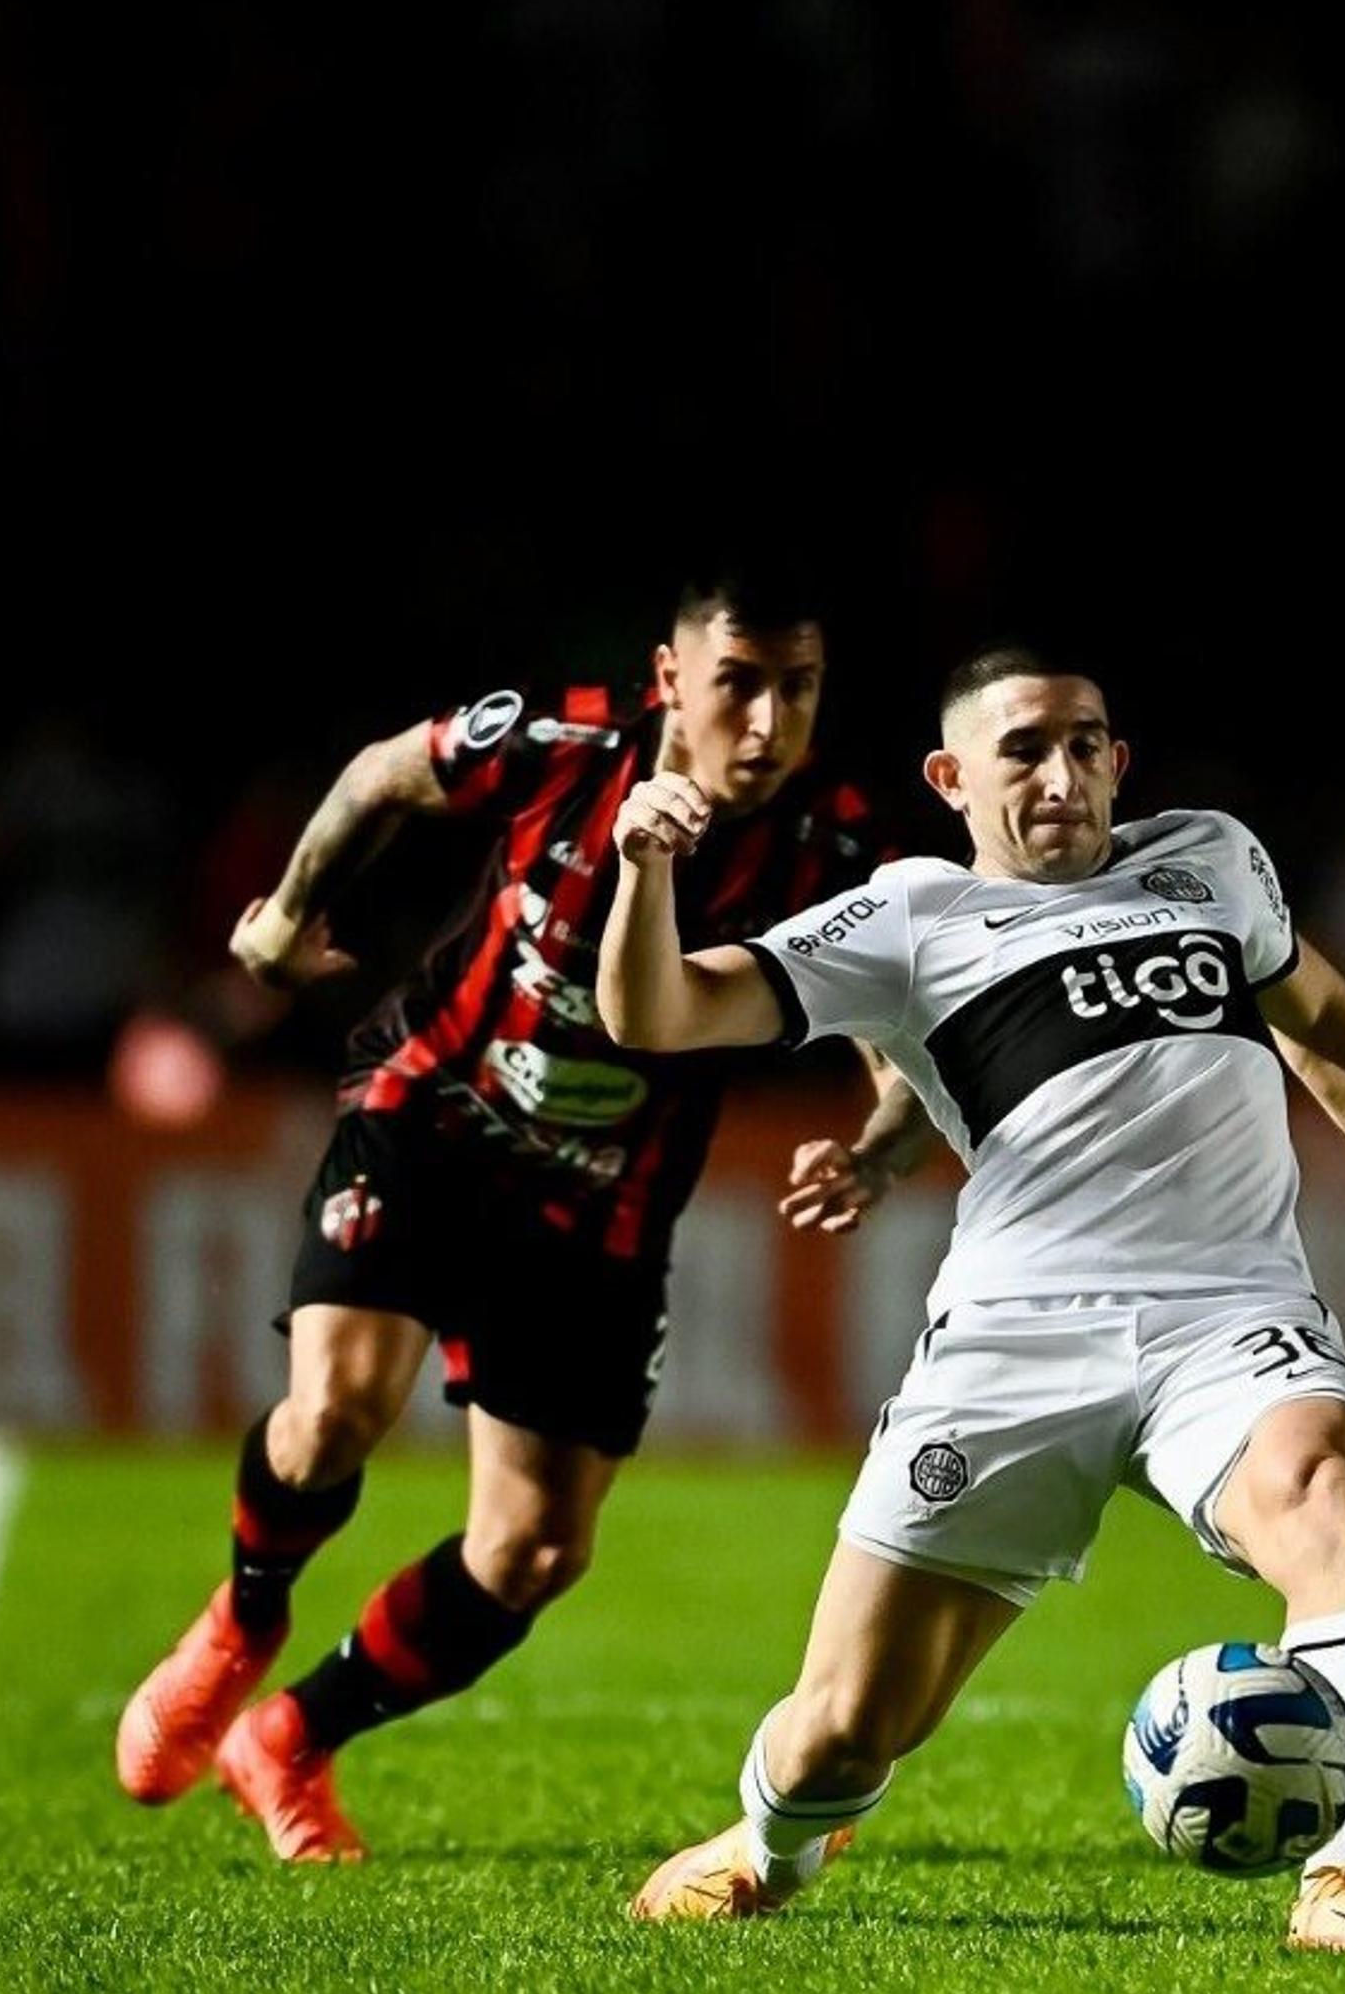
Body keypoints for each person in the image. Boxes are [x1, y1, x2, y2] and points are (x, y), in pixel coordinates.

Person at [597, 646, 1345, 1953]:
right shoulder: (907, 916)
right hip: (1014, 1341)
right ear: (949, 777)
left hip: (1230, 1312)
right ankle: (770, 1843)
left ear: (1120, 759)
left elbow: (1321, 1021)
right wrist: (642, 872)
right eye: (1025, 749)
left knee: (1328, 1483)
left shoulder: (1210, 860)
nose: (1063, 773)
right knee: (844, 1725)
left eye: (1087, 742)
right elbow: (656, 1010)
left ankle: (1341, 1878)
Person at [114, 586, 917, 1861]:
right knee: (335, 1407)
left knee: (536, 1549)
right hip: (434, 1114)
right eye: (739, 682)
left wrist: (880, 1146)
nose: (767, 722)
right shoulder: (566, 745)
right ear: (669, 673)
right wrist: (281, 914)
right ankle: (240, 1624)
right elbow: (385, 774)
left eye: (800, 688)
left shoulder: (838, 842)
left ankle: (290, 1738)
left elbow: (891, 1019)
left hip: (603, 1207)